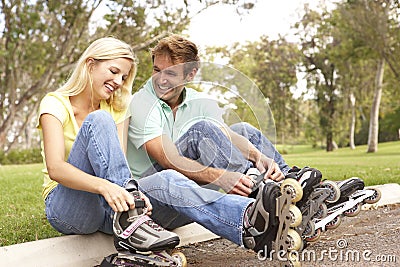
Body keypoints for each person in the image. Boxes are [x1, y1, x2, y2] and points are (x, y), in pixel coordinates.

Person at [36, 36, 296, 259]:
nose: (118, 80)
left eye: (123, 76)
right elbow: (57, 168)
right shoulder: (56, 103)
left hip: (115, 210)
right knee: (98, 120)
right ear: (90, 64)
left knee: (171, 177)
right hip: (71, 206)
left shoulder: (116, 108)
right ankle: (133, 218)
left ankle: (250, 221)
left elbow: (119, 165)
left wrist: (130, 192)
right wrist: (108, 187)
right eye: (113, 71)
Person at [126, 34, 291, 198]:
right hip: (151, 191)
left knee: (244, 130)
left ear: (190, 75)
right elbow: (168, 159)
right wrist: (220, 177)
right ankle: (257, 189)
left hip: (188, 183)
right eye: (157, 70)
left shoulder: (199, 101)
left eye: (170, 74)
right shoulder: (141, 102)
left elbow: (226, 134)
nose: (161, 80)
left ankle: (291, 182)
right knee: (200, 130)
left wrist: (258, 156)